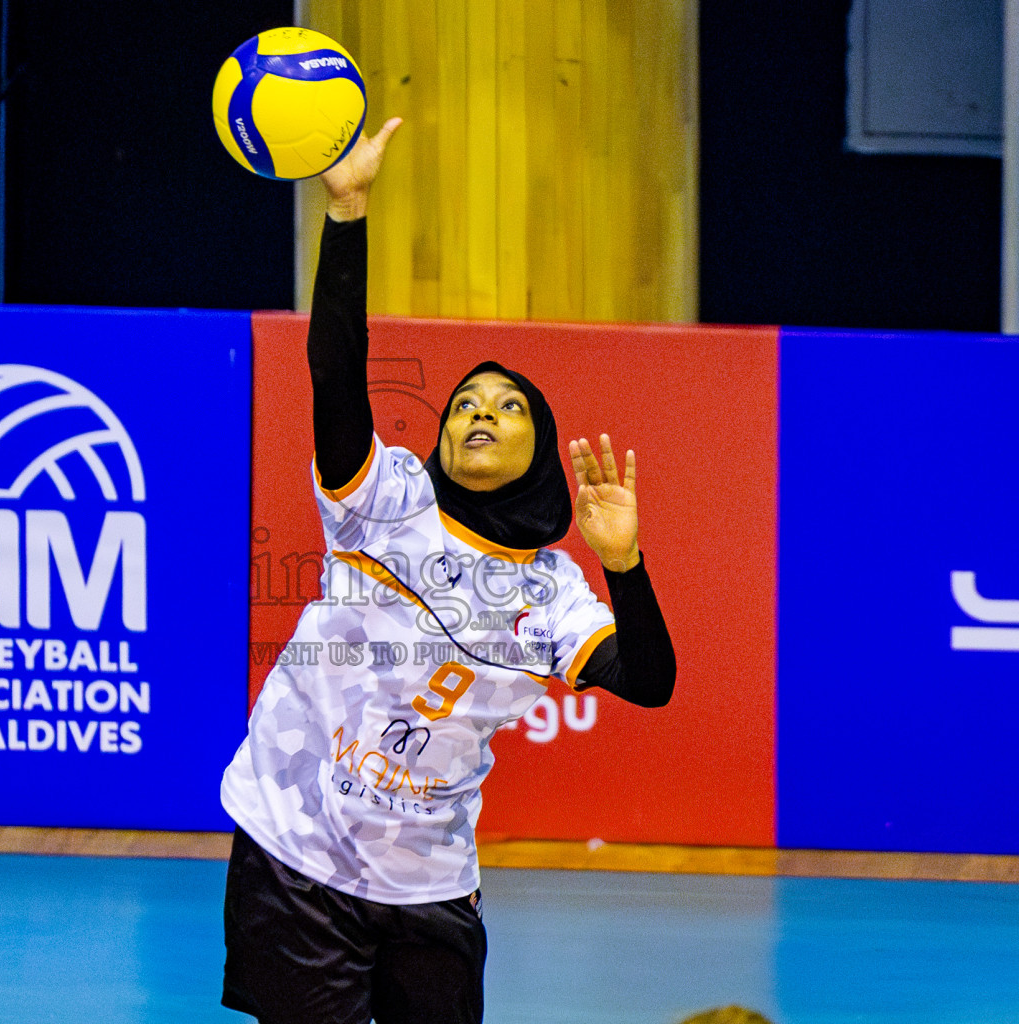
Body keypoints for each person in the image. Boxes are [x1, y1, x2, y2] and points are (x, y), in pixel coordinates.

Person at [219, 116, 677, 1024]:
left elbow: (651, 683)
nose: (478, 412)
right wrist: (345, 214)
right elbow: (336, 374)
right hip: (296, 849)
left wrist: (624, 565)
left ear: (539, 449)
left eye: (507, 408)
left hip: (429, 878)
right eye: (464, 401)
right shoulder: (382, 497)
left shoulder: (553, 592)